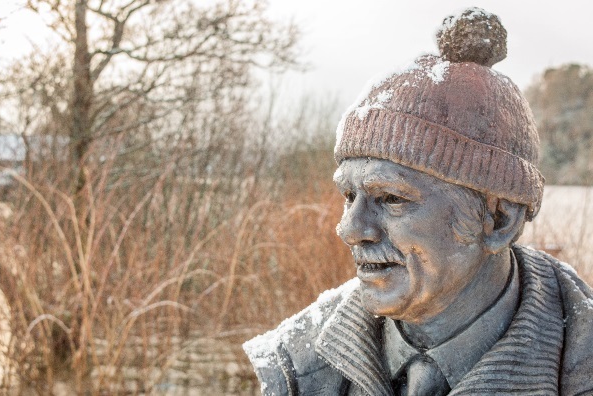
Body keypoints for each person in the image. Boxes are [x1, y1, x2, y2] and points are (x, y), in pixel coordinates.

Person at [243, 8, 593, 396]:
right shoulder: (297, 366)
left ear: (498, 219)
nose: (349, 228)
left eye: (391, 198)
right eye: (349, 195)